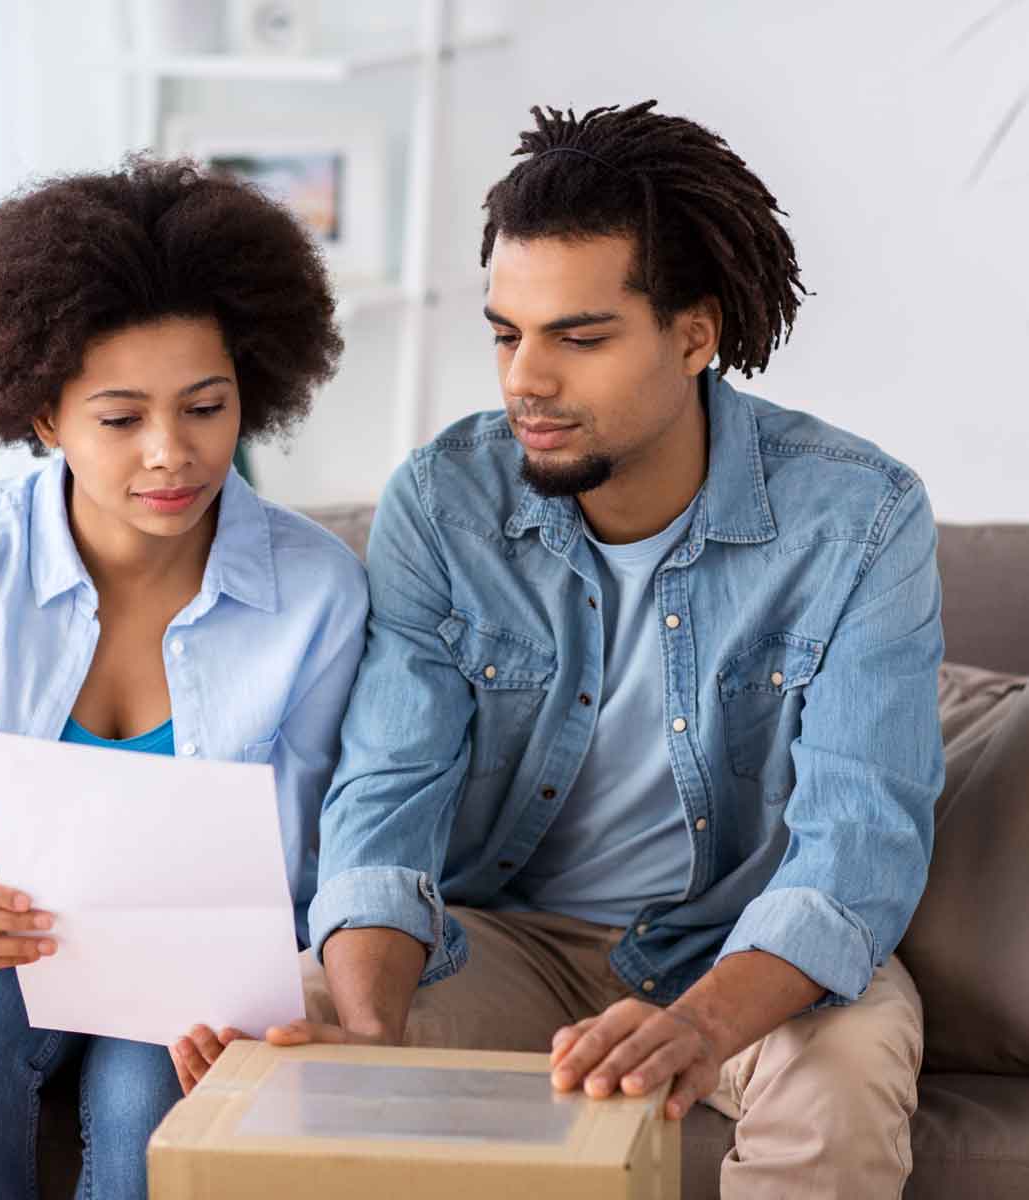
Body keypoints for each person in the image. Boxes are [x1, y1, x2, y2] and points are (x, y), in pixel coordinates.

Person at [175, 101, 945, 1197]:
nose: (523, 380)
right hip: (500, 939)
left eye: (577, 339)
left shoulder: (857, 518)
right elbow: (386, 798)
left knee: (845, 1076)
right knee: (285, 1039)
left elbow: (858, 838)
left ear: (692, 334)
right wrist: (364, 1029)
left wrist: (695, 1025)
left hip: (740, 943)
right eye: (504, 332)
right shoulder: (443, 503)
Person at [0, 156, 368, 1200]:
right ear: (43, 417)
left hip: (197, 953)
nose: (172, 455)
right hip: (9, 953)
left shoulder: (318, 589)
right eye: (119, 418)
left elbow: (298, 856)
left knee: (154, 1080)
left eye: (206, 406)